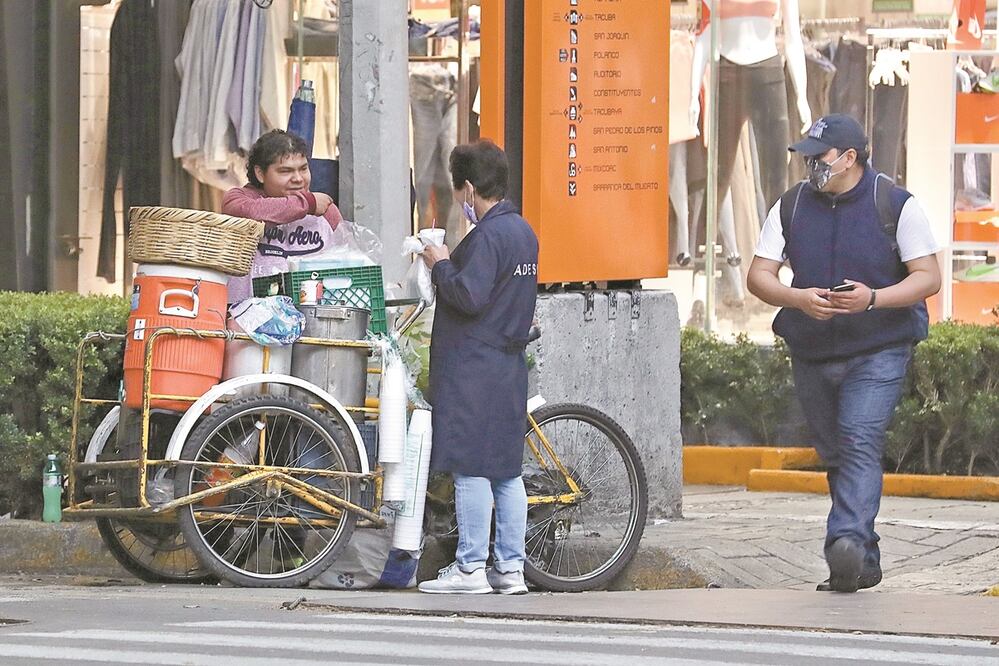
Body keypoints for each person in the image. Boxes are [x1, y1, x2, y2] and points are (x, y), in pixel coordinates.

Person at [747, 114, 941, 593]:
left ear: (850, 158)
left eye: (819, 157)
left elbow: (928, 277)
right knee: (835, 451)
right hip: (811, 349)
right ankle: (864, 556)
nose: (810, 164)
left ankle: (846, 544)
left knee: (858, 440)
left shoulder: (894, 203)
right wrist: (797, 298)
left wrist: (872, 298)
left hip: (878, 348)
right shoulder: (790, 205)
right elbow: (759, 275)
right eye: (807, 157)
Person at [417, 140, 539, 595]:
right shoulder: (524, 232)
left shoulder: (488, 237)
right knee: (506, 470)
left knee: (470, 467)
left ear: (469, 189)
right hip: (507, 365)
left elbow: (468, 296)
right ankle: (509, 569)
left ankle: (470, 567)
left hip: (474, 367)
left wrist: (441, 264)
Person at [221, 129, 342, 303]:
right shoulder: (238, 200)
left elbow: (346, 255)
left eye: (303, 169)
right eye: (286, 171)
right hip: (243, 320)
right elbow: (250, 213)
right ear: (260, 174)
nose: (298, 178)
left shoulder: (325, 210)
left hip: (312, 320)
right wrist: (307, 204)